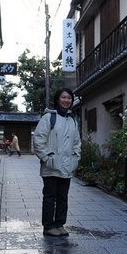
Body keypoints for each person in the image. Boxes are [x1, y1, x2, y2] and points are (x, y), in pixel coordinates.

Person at [33, 88, 81, 237]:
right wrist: (47, 158)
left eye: (69, 98)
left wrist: (75, 159)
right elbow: (39, 139)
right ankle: (48, 226)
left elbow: (77, 142)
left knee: (63, 197)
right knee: (50, 197)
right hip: (51, 166)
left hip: (67, 166)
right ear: (58, 99)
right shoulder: (48, 118)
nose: (66, 100)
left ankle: (59, 224)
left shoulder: (73, 120)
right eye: (63, 97)